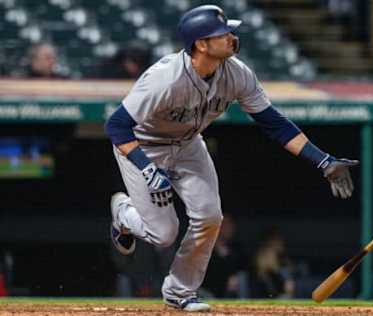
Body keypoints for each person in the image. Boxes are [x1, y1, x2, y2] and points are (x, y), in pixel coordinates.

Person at [104, 5, 357, 312]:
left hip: (187, 145)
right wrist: (147, 168)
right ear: (201, 44)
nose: (231, 37)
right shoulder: (165, 78)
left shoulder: (237, 73)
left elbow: (272, 122)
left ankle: (179, 292)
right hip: (144, 145)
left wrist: (323, 160)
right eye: (222, 34)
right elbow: (116, 125)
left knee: (210, 217)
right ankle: (124, 214)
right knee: (163, 234)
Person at [201, 213, 245, 298]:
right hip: (208, 291)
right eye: (225, 225)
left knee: (241, 280)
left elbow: (244, 269)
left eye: (230, 225)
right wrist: (225, 281)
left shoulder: (236, 249)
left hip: (232, 292)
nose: (229, 228)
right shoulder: (205, 248)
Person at [249, 228, 295, 298]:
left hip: (281, 297)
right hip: (266, 301)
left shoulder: (282, 264)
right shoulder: (260, 272)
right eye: (277, 240)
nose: (280, 242)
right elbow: (268, 294)